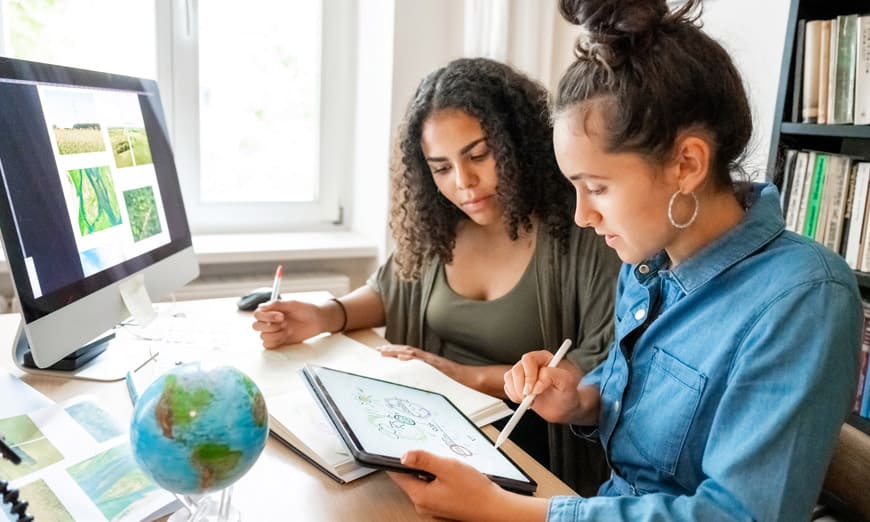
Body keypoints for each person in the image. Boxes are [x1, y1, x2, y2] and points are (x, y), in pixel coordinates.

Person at [387, 1, 863, 520]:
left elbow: (734, 515)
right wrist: (578, 398)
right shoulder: (646, 266)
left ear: (687, 163)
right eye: (574, 187)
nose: (583, 215)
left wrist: (507, 510)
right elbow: (625, 395)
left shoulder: (803, 298)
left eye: (596, 187)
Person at [252, 57, 621, 492]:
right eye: (441, 168)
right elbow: (391, 290)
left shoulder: (583, 232)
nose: (463, 182)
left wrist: (454, 375)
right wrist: (321, 315)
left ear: (517, 143)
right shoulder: (441, 226)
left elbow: (597, 371)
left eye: (479, 155)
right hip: (439, 431)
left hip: (530, 456)